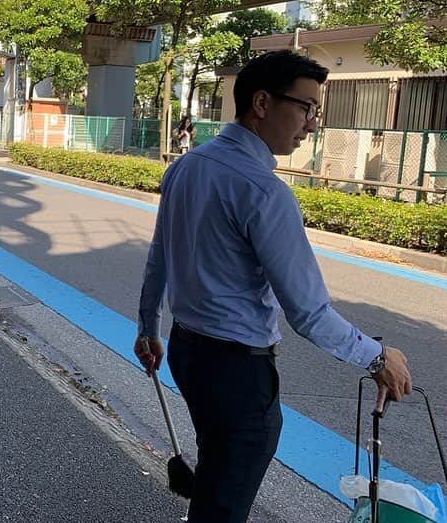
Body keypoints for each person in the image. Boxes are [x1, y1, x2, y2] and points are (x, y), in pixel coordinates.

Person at [134, 50, 412, 523]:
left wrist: (147, 329)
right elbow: (308, 313)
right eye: (306, 108)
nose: (312, 124)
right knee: (226, 498)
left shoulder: (186, 167)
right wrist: (379, 358)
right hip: (238, 373)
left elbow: (159, 255)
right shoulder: (264, 192)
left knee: (217, 470)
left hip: (186, 351)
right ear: (262, 103)